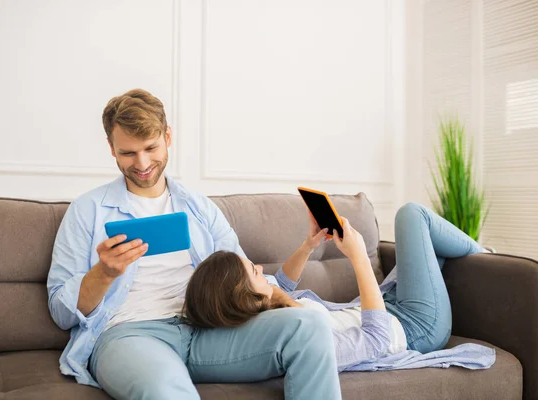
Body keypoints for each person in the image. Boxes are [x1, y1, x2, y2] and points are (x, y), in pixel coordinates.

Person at [46, 88, 342, 400]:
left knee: (309, 325)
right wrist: (104, 274)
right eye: (128, 153)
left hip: (208, 329)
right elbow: (60, 312)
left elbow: (245, 277)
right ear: (111, 148)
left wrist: (291, 304)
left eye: (151, 147)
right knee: (164, 388)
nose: (143, 163)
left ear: (168, 137)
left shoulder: (199, 207)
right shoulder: (87, 211)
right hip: (130, 334)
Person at [183, 203, 489, 372]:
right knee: (412, 215)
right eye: (254, 271)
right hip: (415, 327)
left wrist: (308, 246)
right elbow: (377, 338)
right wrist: (358, 256)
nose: (261, 268)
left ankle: (481, 255)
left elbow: (283, 285)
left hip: (389, 304)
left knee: (429, 245)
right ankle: (485, 255)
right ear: (246, 297)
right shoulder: (302, 338)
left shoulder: (267, 310)